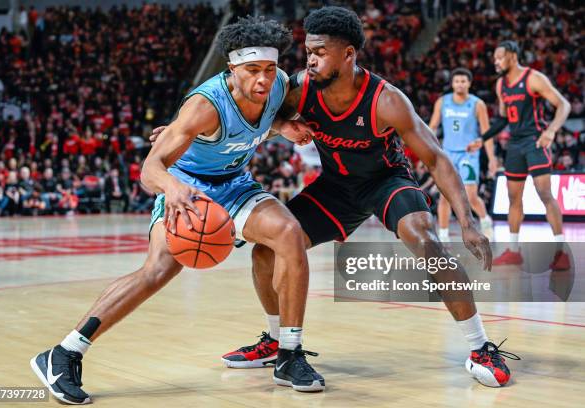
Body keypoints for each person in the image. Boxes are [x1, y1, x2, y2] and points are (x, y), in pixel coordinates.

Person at [217, 7, 519, 388]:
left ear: (348, 54)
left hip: (385, 181)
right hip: (336, 187)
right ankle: (277, 343)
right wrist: (192, 129)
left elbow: (437, 160)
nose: (311, 58)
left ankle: (480, 346)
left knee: (426, 241)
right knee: (266, 249)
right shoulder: (299, 88)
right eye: (309, 50)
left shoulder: (386, 100)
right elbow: (251, 118)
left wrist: (469, 223)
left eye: (321, 51)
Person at [30, 16, 323, 405]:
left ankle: (287, 352)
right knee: (159, 270)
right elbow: (149, 169)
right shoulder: (204, 105)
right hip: (189, 186)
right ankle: (64, 352)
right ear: (232, 69)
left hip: (234, 183)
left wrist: (283, 126)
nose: (263, 80)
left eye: (269, 69)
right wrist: (172, 187)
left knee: (287, 233)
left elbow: (271, 118)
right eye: (252, 70)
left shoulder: (279, 86)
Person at [482, 41, 571, 268]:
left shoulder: (533, 77)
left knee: (544, 194)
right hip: (515, 144)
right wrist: (482, 139)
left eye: (499, 57)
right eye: (494, 58)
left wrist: (551, 131)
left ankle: (561, 253)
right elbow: (503, 118)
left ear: (512, 56)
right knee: (514, 199)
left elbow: (563, 105)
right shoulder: (501, 84)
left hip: (535, 140)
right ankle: (513, 251)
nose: (496, 62)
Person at [428, 68, 496, 241]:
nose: (460, 84)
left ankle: (485, 220)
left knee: (470, 197)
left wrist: (492, 159)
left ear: (469, 83)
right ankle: (443, 237)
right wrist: (426, 150)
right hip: (448, 154)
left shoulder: (477, 104)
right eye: (456, 81)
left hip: (469, 155)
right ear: (452, 83)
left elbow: (486, 133)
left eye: (463, 81)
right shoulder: (443, 102)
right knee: (445, 196)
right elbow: (432, 127)